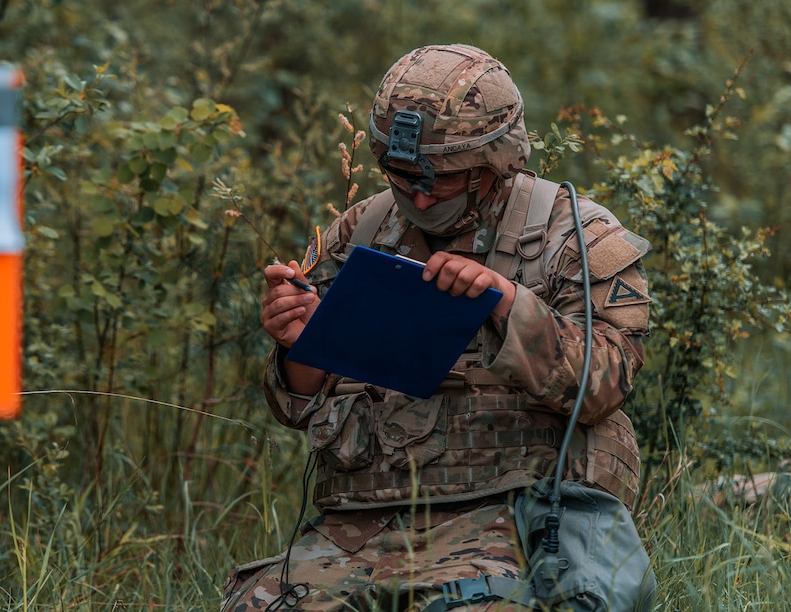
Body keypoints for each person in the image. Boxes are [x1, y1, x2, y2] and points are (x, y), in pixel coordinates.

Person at [221, 44, 654, 611]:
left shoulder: (572, 235)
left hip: (513, 509)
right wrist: (298, 344)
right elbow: (300, 403)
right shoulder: (359, 231)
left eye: (440, 179)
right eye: (402, 178)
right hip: (362, 517)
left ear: (495, 162)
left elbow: (608, 381)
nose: (420, 196)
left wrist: (505, 302)